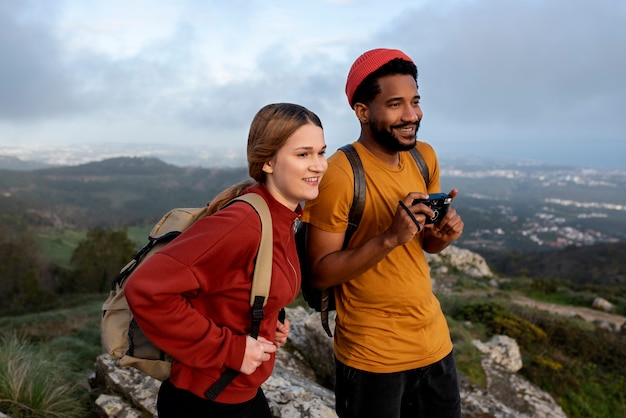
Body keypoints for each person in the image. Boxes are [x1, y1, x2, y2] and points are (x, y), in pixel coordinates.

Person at [125, 103, 327, 417]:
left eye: (321, 153)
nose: (318, 166)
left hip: (238, 394)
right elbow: (147, 289)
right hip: (204, 402)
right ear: (269, 161)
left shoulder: (283, 217)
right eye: (303, 154)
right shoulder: (242, 223)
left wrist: (272, 320)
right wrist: (231, 349)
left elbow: (239, 285)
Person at [301, 48, 464, 417]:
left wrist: (444, 233)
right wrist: (389, 236)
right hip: (372, 357)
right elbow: (321, 271)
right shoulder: (340, 174)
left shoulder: (424, 157)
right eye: (395, 104)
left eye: (415, 101)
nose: (411, 115)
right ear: (362, 111)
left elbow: (427, 244)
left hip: (434, 343)